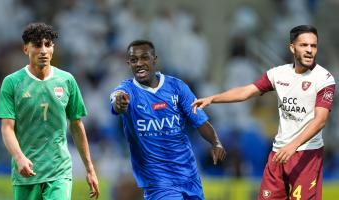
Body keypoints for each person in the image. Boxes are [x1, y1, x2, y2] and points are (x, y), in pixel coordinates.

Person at [192, 25, 335, 200]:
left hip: (307, 155)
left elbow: (320, 120)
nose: (309, 50)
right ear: (292, 47)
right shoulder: (278, 74)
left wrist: (293, 145)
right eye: (303, 45)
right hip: (279, 155)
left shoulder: (324, 78)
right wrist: (213, 98)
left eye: (313, 46)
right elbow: (246, 91)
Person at [110, 39, 226, 200]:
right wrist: (119, 103)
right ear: (129, 63)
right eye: (134, 60)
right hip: (157, 181)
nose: (139, 63)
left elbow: (199, 121)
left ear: (154, 59)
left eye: (144, 58)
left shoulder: (177, 87)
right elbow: (116, 101)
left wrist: (215, 142)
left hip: (189, 175)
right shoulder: (127, 90)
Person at [0, 22, 100, 200]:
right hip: (26, 173)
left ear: (53, 48)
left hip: (59, 171)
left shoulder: (67, 81)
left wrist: (90, 169)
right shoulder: (12, 83)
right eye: (37, 45)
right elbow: (7, 128)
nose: (43, 50)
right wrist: (19, 157)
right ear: (25, 49)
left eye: (48, 44)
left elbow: (76, 125)